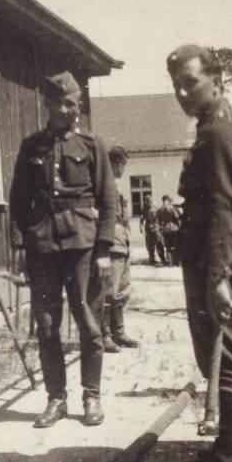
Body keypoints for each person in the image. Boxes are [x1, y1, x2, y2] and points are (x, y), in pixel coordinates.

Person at [162, 45, 232, 462]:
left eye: (191, 82)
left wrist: (219, 278)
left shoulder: (220, 132)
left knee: (228, 367)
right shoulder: (214, 127)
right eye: (177, 85)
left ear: (216, 80)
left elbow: (225, 208)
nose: (183, 92)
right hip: (211, 263)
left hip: (214, 266)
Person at [9, 71, 116, 428]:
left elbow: (108, 200)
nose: (66, 110)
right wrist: (21, 243)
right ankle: (56, 398)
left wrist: (104, 249)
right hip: (42, 245)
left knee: (89, 322)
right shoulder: (32, 146)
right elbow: (18, 199)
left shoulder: (91, 144)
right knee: (47, 325)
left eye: (72, 103)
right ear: (47, 104)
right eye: (59, 103)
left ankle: (91, 396)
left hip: (83, 245)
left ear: (78, 105)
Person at [101, 146, 140, 353]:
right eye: (123, 165)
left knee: (122, 290)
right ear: (116, 164)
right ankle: (104, 334)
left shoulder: (114, 187)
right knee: (108, 291)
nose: (123, 169)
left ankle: (118, 332)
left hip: (122, 244)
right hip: (111, 245)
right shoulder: (102, 185)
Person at [139, 194, 166, 265]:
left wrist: (161, 227)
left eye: (150, 201)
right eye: (147, 201)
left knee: (159, 243)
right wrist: (141, 228)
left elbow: (160, 218)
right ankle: (152, 260)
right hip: (148, 228)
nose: (148, 203)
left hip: (156, 227)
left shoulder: (156, 208)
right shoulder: (143, 210)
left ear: (152, 201)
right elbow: (141, 220)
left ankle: (163, 259)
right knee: (150, 245)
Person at [156, 195, 181, 266]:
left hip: (165, 229)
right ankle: (176, 262)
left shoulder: (159, 209)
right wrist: (179, 227)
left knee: (168, 246)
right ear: (167, 200)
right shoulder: (172, 208)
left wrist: (161, 229)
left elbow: (159, 221)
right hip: (174, 228)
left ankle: (170, 262)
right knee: (176, 245)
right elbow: (177, 218)